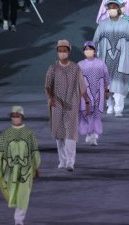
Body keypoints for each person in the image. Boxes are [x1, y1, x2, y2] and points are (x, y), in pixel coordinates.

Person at [45, 40, 90, 171]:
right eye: (60, 51)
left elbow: (82, 86)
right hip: (57, 105)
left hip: (72, 104)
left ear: (69, 52)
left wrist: (86, 102)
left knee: (70, 134)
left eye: (64, 51)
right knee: (59, 134)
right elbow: (48, 85)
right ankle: (62, 161)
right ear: (57, 52)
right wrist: (50, 98)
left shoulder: (75, 68)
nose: (62, 53)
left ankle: (70, 162)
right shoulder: (53, 68)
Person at [0, 106, 41, 225]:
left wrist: (36, 167)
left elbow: (34, 151)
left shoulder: (29, 133)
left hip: (25, 169)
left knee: (23, 193)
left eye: (17, 116)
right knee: (12, 191)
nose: (15, 118)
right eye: (13, 116)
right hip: (9, 170)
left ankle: (19, 219)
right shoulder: (6, 133)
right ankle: (18, 214)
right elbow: (0, 151)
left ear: (22, 117)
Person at [93, 0, 129, 117]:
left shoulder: (125, 24)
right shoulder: (103, 24)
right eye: (110, 7)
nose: (112, 9)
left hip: (122, 59)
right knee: (106, 84)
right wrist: (94, 55)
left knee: (119, 83)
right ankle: (110, 105)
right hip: (105, 58)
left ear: (118, 9)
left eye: (114, 7)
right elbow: (95, 40)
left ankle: (118, 108)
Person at [78, 42, 111, 146]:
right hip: (85, 93)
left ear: (95, 51)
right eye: (86, 49)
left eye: (90, 49)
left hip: (98, 92)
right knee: (85, 112)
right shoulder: (80, 64)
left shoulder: (101, 64)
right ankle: (89, 132)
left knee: (96, 113)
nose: (88, 51)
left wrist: (107, 91)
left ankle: (94, 134)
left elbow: (106, 78)